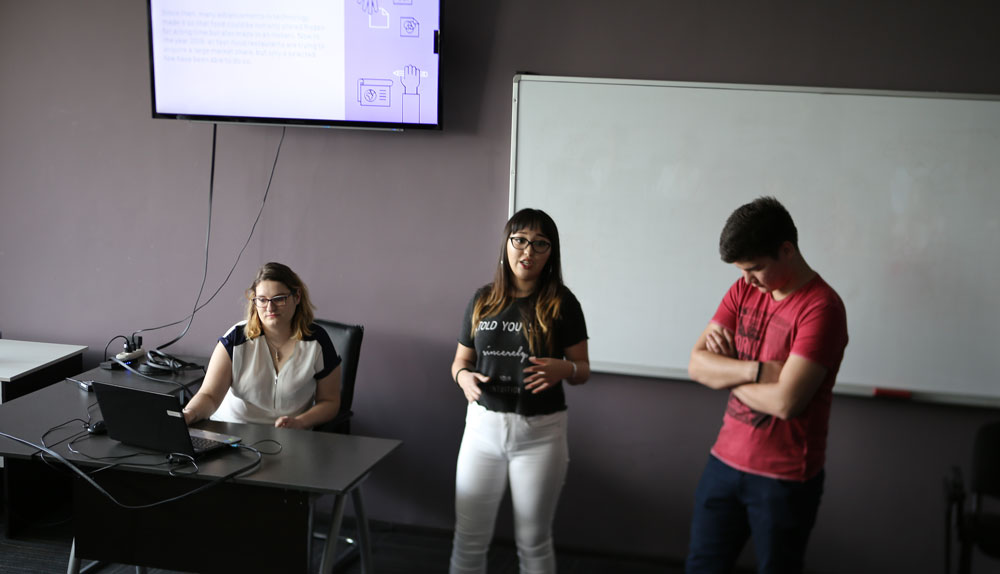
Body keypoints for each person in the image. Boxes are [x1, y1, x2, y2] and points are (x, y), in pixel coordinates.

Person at [685, 197, 848, 574]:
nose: (746, 280)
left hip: (784, 479)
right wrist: (756, 371)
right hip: (723, 463)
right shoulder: (743, 290)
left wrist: (726, 373)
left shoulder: (821, 308)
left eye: (755, 268)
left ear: (787, 250)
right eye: (741, 271)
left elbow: (786, 402)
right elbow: (696, 365)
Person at [449, 208, 590, 574]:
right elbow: (460, 362)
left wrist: (564, 368)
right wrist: (464, 378)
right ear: (507, 245)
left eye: (540, 244)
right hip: (481, 431)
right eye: (521, 241)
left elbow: (582, 370)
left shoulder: (563, 303)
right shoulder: (482, 299)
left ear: (551, 253)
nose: (528, 251)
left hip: (540, 435)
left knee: (534, 542)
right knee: (468, 539)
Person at [183, 262, 342, 429]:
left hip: (289, 435)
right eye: (262, 300)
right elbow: (209, 395)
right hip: (232, 432)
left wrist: (301, 422)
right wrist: (189, 413)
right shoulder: (236, 339)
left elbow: (329, 401)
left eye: (279, 299)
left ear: (297, 297)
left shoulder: (317, 341)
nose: (270, 307)